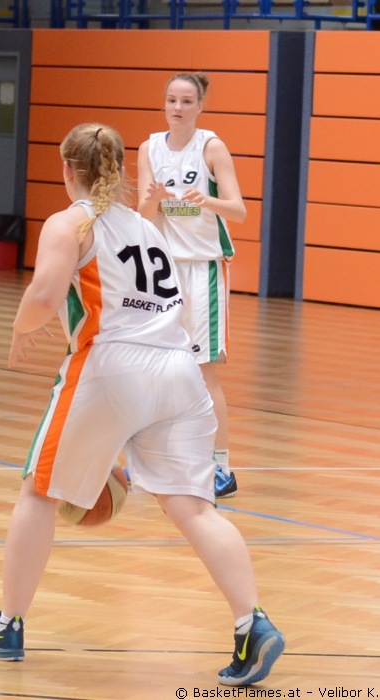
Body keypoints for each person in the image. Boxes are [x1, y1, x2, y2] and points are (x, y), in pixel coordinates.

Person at [0, 122, 284, 686]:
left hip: (113, 367)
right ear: (117, 168)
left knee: (39, 492)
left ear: (68, 170)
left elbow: (44, 294)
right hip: (180, 373)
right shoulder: (146, 226)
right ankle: (251, 623)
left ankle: (6, 626)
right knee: (196, 510)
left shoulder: (70, 222)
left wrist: (19, 330)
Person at [137, 71, 246, 499]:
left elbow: (238, 211)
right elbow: (144, 218)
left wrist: (207, 200)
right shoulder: (149, 148)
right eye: (171, 100)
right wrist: (153, 199)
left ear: (200, 106)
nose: (177, 108)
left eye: (186, 101)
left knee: (203, 372)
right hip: (163, 271)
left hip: (203, 270)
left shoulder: (211, 147)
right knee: (156, 367)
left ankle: (221, 468)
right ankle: (159, 461)